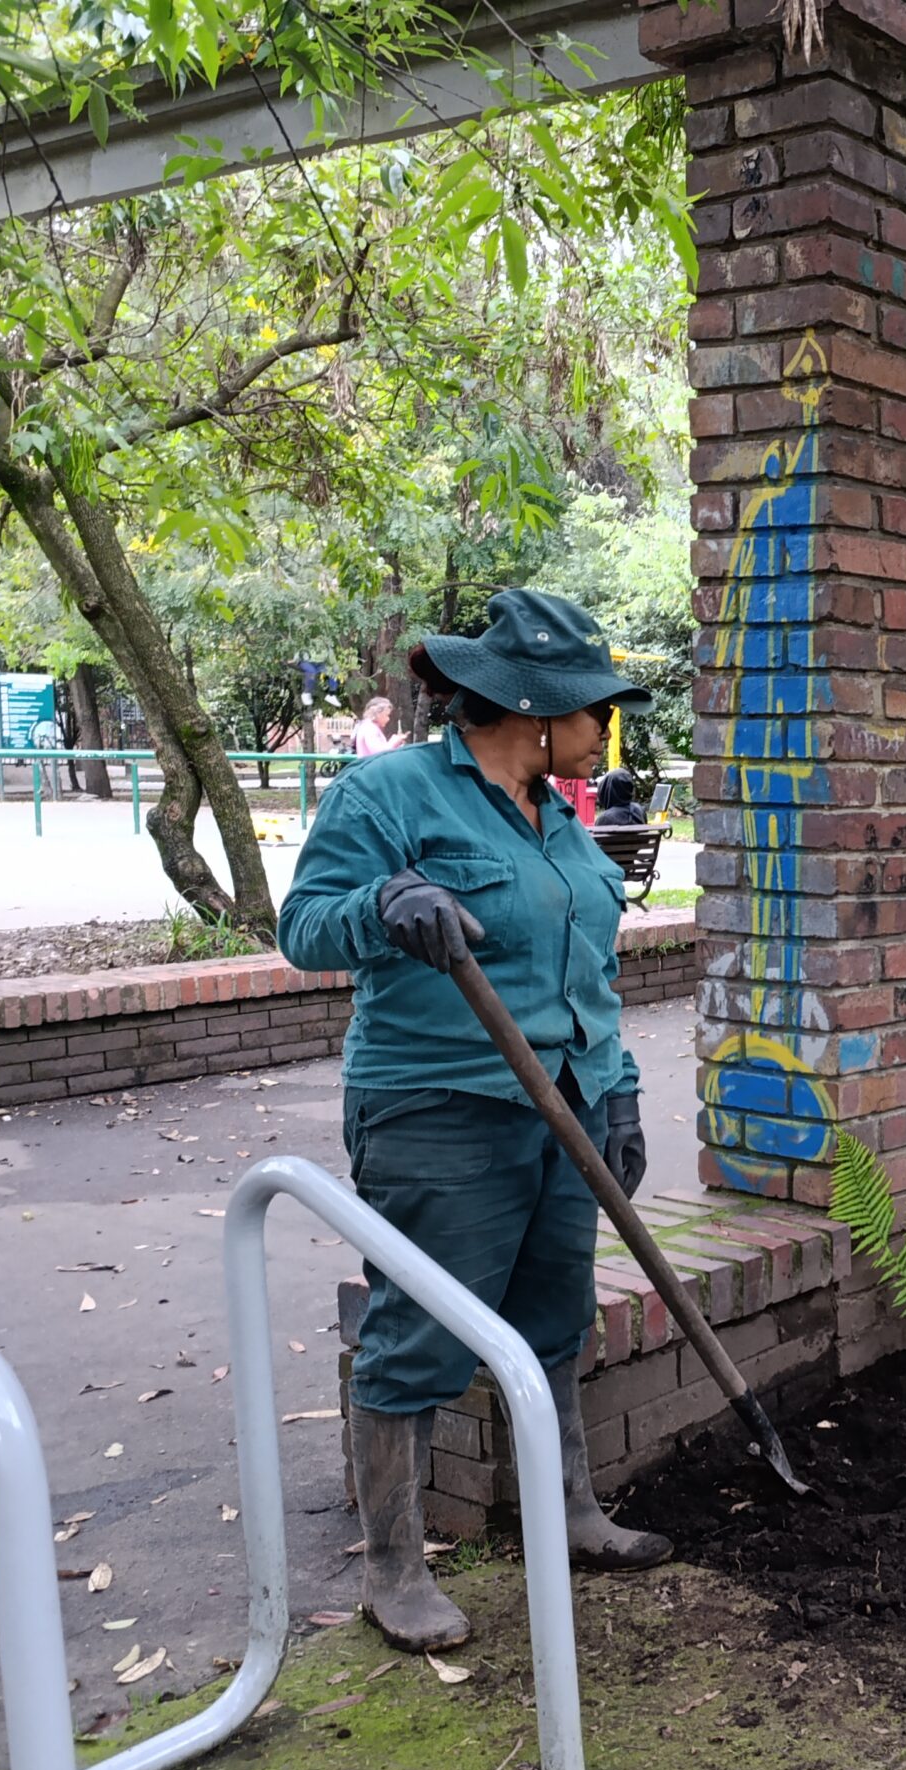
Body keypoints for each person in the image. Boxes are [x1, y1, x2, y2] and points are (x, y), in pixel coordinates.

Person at [279, 588, 671, 1653]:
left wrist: (620, 1087)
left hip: (565, 1107)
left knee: (552, 1322)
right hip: (441, 1111)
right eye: (597, 709)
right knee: (417, 1335)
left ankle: (573, 1511)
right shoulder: (390, 794)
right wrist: (382, 908)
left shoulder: (559, 815)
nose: (607, 729)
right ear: (534, 709)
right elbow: (304, 927)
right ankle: (395, 1569)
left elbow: (590, 969)